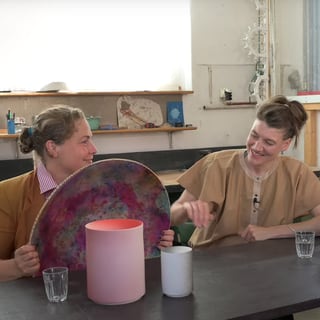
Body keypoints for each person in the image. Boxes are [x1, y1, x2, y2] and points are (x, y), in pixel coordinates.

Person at [0, 105, 174, 282]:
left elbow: (117, 258)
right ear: (53, 148)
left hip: (102, 295)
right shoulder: (8, 194)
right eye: (84, 141)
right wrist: (15, 267)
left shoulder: (110, 191)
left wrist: (151, 242)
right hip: (38, 305)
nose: (94, 149)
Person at [171, 95, 320, 248]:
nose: (256, 147)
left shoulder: (297, 173)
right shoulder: (215, 164)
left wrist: (272, 232)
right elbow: (172, 215)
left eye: (268, 142)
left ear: (285, 144)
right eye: (254, 135)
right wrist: (185, 210)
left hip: (270, 262)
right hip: (211, 262)